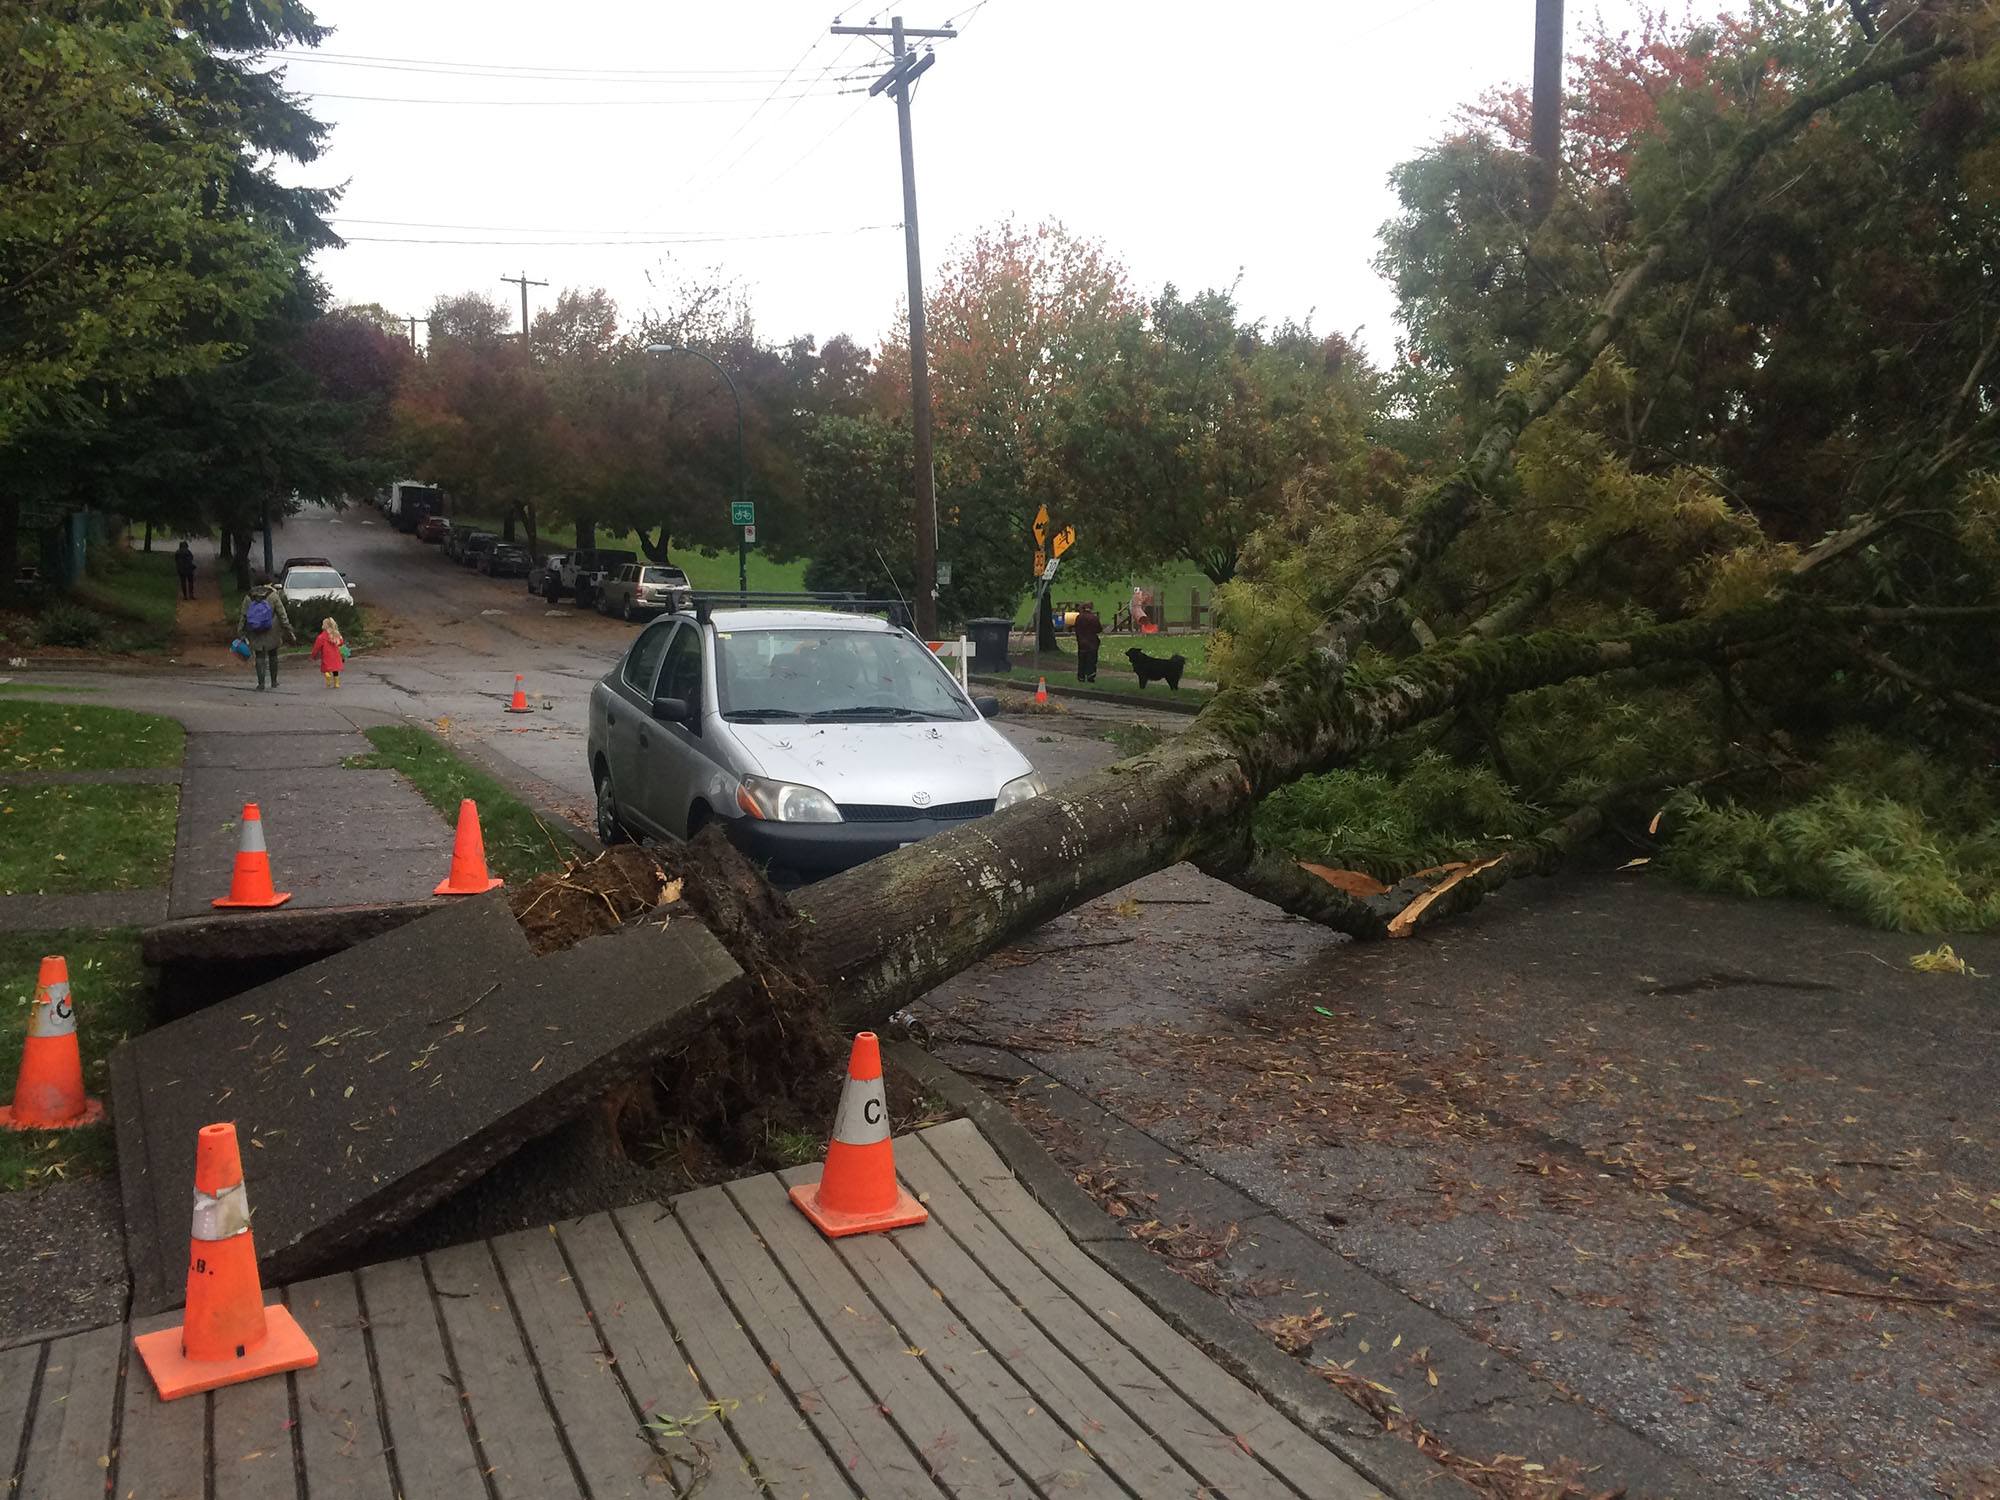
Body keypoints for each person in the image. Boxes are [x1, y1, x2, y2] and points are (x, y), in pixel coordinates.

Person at [236, 581, 295, 691]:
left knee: (259, 655)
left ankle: (261, 683)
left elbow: (243, 615)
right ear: (268, 583)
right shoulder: (273, 595)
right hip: (272, 629)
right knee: (273, 654)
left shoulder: (249, 596)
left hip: (255, 630)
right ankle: (274, 681)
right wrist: (288, 628)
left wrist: (240, 631)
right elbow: (282, 614)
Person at [309, 616, 347, 688]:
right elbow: (341, 644)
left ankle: (328, 678)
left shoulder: (321, 637)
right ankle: (336, 683)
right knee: (335, 670)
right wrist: (343, 654)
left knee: (327, 668)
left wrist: (313, 656)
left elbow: (316, 647)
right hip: (336, 656)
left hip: (327, 656)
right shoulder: (337, 635)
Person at [1072, 601, 1103, 683]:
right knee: (1091, 659)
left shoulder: (1079, 617)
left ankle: (1081, 676)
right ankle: (1090, 675)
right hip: (1092, 642)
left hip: (1081, 642)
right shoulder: (1094, 618)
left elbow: (1076, 628)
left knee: (1082, 659)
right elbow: (1099, 629)